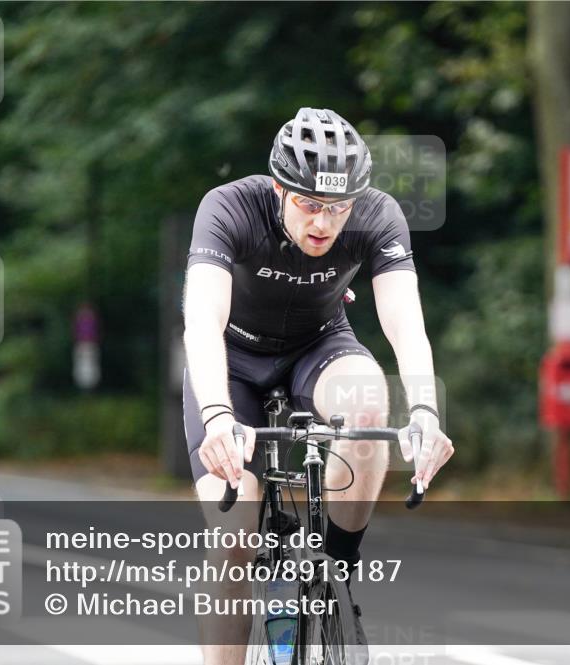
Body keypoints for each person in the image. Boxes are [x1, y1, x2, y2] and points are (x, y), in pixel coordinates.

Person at [182, 107, 453, 664]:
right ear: (280, 188)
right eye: (308, 204)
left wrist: (425, 410)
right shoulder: (230, 206)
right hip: (231, 362)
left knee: (370, 401)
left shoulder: (378, 215)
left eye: (337, 208)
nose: (323, 224)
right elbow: (203, 317)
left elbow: (406, 321)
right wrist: (215, 417)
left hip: (318, 346)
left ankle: (337, 560)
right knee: (234, 539)